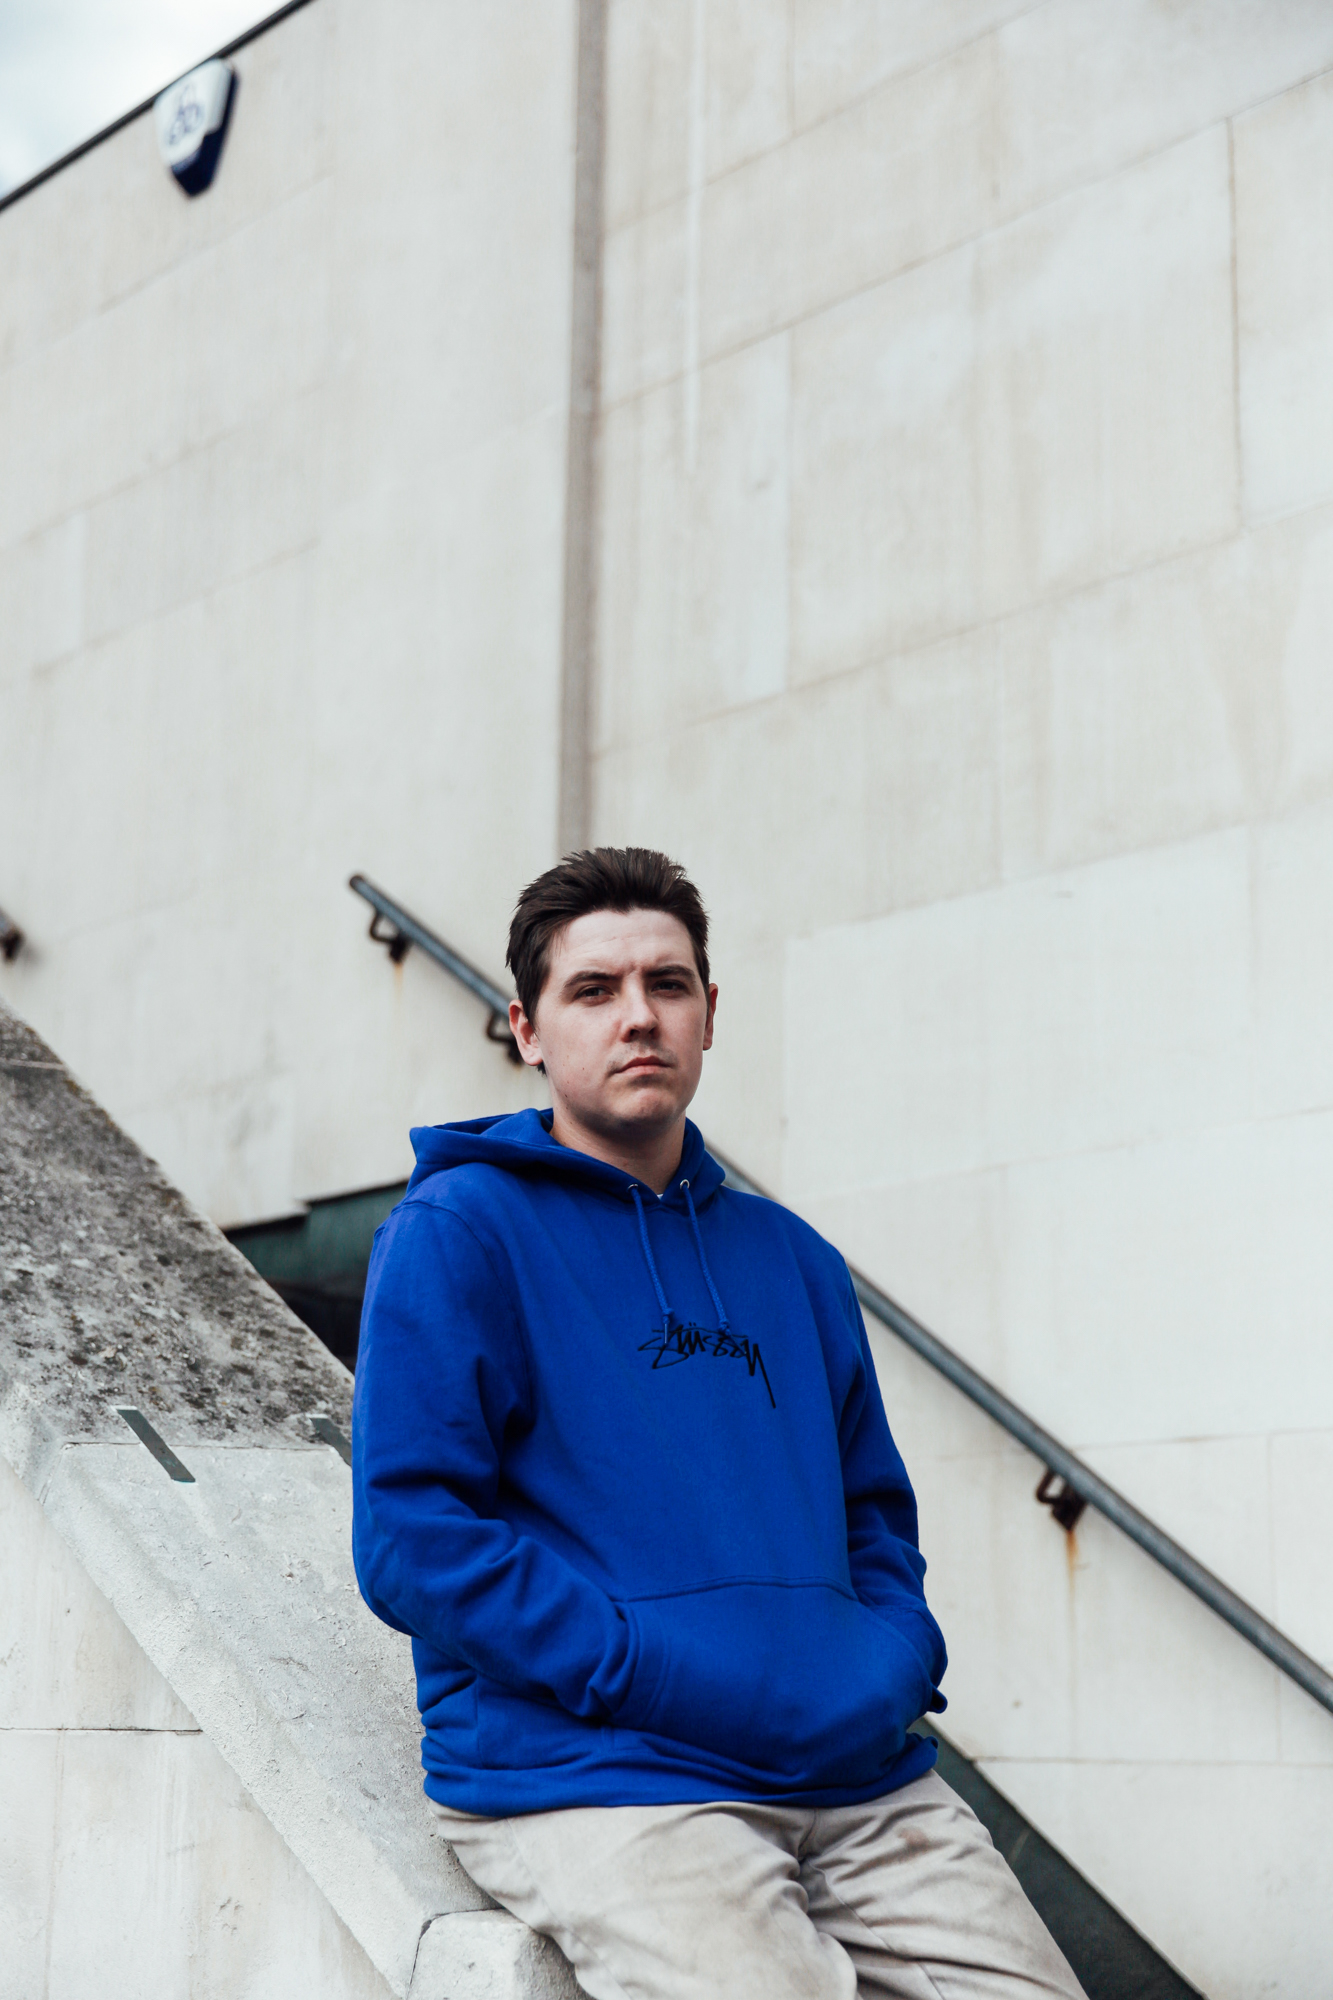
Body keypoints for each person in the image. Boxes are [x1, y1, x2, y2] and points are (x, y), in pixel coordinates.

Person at [351, 847, 1084, 2000]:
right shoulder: (459, 1230)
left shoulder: (793, 1259)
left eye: (668, 982)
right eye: (593, 989)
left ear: (707, 1012)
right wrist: (639, 1666)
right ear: (528, 1029)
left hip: (855, 1773)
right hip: (601, 1775)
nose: (638, 1015)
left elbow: (872, 1517)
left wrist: (891, 1664)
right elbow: (413, 1538)